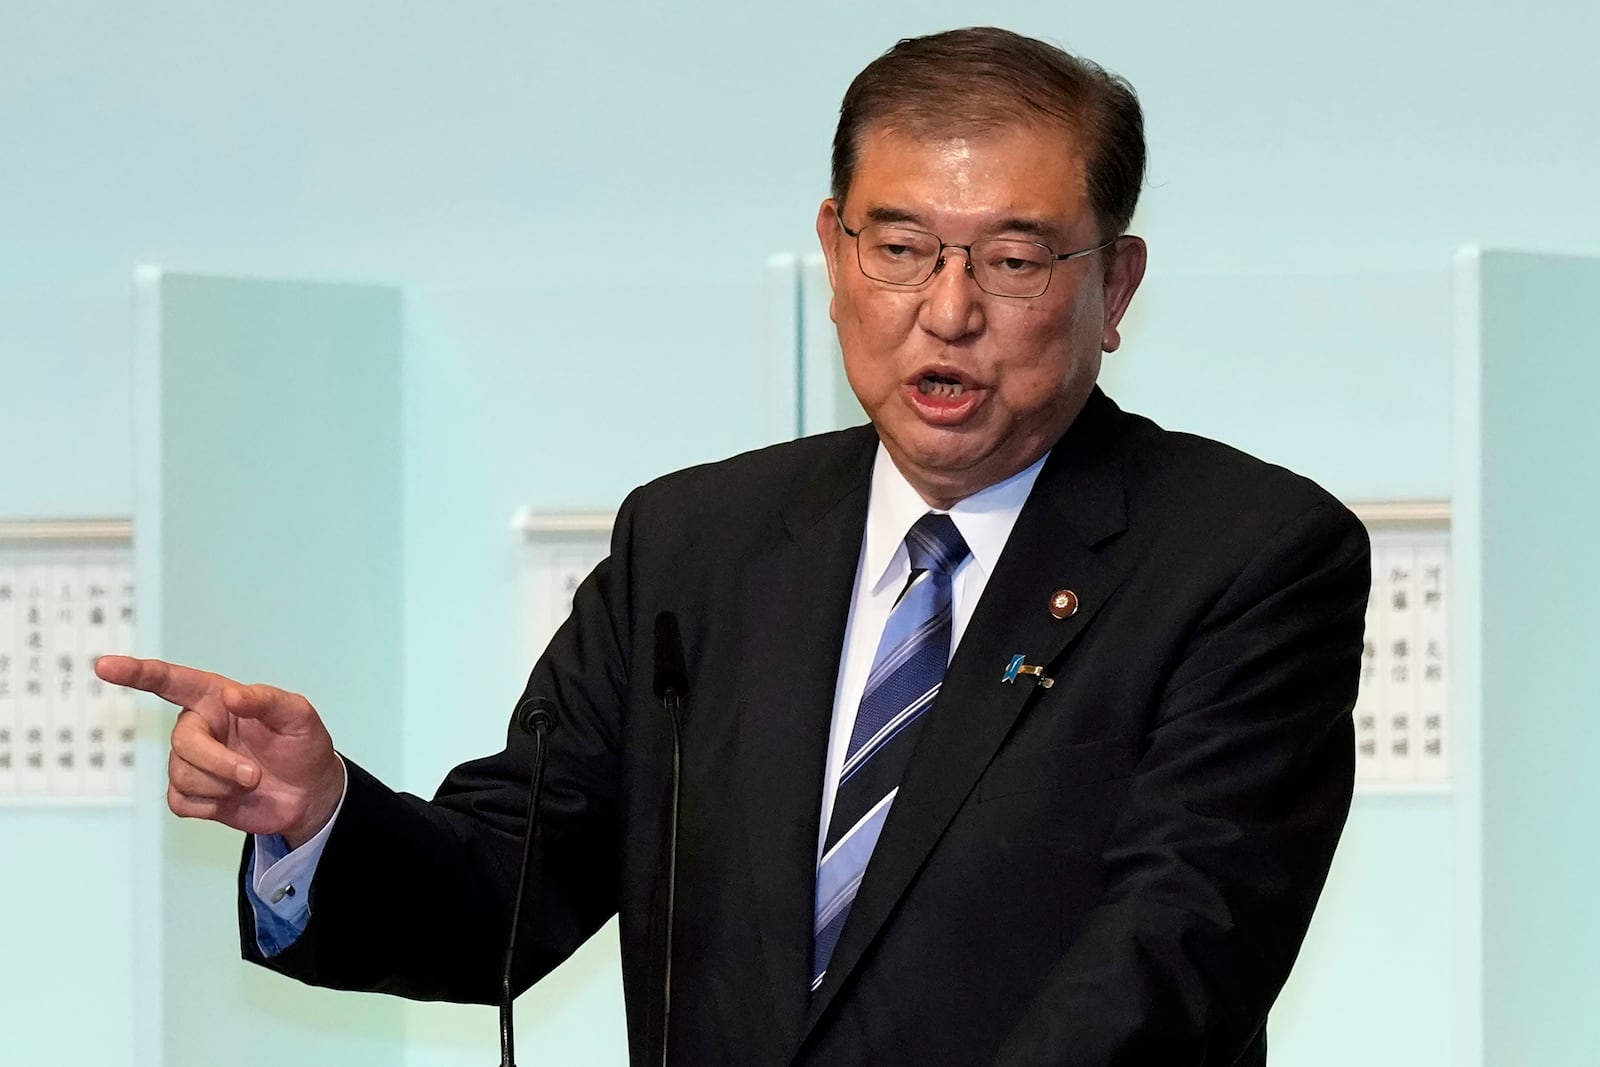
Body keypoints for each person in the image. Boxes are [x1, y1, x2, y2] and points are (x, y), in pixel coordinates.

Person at [97, 26, 1370, 1066]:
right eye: (901, 247)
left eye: (1015, 258)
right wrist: (319, 816)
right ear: (834, 252)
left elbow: (1175, 952)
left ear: (1118, 285)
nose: (948, 308)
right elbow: (508, 886)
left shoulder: (1247, 554)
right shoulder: (695, 545)